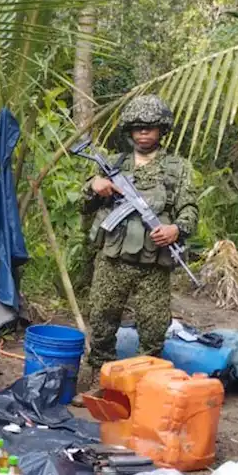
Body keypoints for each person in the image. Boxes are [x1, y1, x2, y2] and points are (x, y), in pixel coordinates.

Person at [81, 94, 200, 382]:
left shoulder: (176, 168)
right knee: (101, 318)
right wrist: (94, 187)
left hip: (153, 262)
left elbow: (190, 208)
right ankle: (102, 378)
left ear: (162, 130)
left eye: (149, 127)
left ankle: (145, 384)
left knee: (154, 325)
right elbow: (84, 205)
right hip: (113, 258)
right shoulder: (113, 163)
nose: (143, 133)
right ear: (129, 131)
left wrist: (176, 229)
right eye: (137, 128)